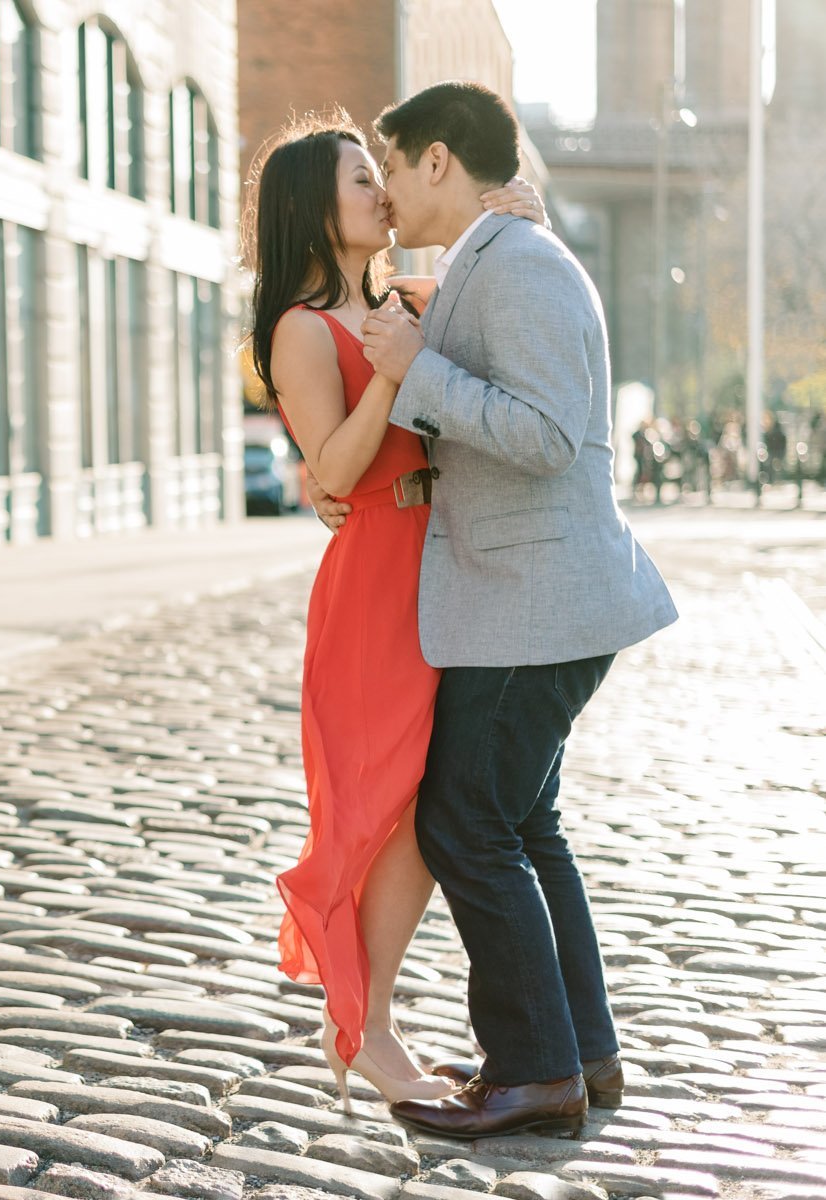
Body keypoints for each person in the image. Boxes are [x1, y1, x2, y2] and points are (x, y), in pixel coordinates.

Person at [315, 81, 678, 1138]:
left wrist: (419, 373)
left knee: (463, 817)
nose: (384, 190)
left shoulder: (519, 265)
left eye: (392, 166)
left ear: (439, 162)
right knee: (522, 822)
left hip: (535, 606)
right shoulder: (493, 257)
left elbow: (553, 434)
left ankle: (536, 1071)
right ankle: (581, 1053)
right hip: (528, 602)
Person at [243, 110, 547, 1114]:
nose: (381, 190)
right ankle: (365, 1028)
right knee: (390, 812)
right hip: (374, 584)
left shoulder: (394, 299)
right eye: (359, 177)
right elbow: (329, 468)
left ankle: (368, 1021)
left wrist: (518, 211)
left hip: (432, 571)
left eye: (380, 174)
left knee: (416, 810)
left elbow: (486, 295)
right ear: (311, 207)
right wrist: (393, 370)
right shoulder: (301, 327)